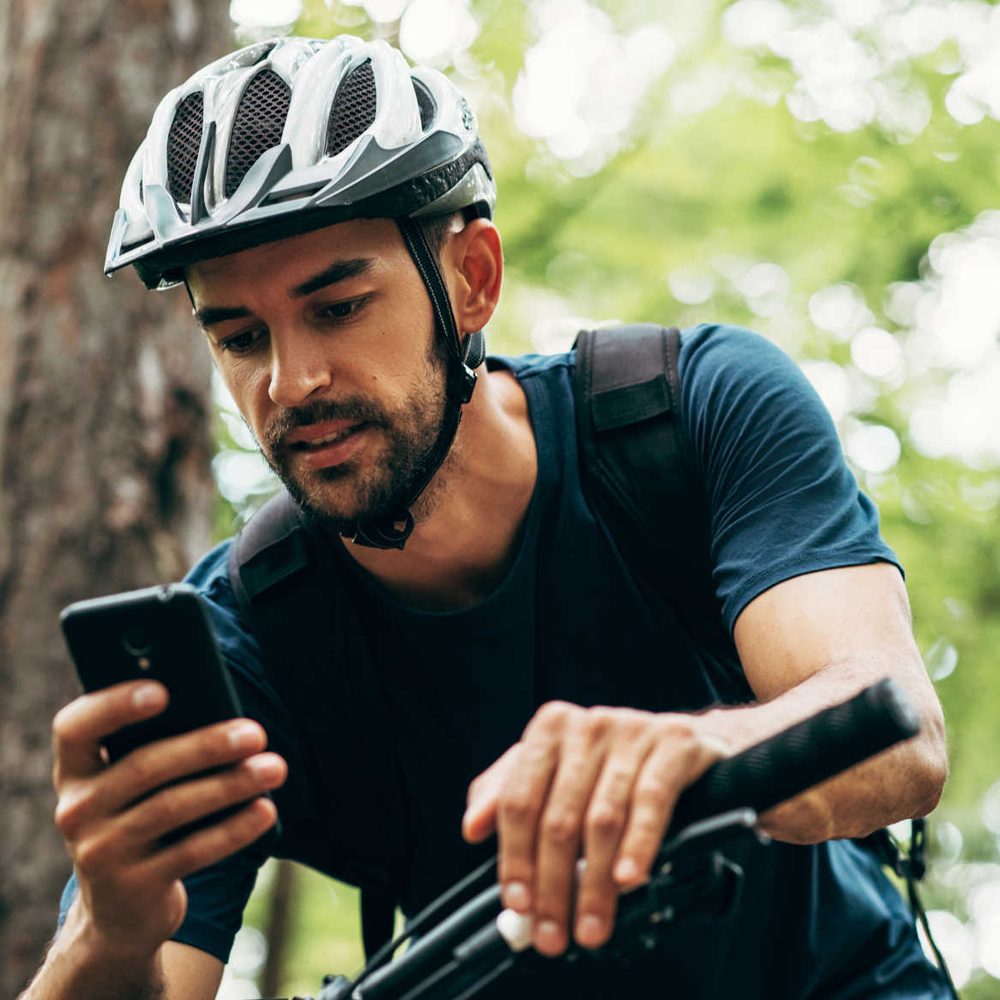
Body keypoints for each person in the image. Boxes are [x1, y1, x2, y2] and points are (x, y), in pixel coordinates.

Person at [21, 34, 950, 1000]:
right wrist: (110, 933)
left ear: (471, 280)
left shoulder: (694, 414)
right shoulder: (241, 634)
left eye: (337, 307)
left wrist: (692, 751)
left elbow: (898, 735)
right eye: (242, 337)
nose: (290, 383)